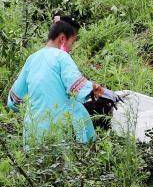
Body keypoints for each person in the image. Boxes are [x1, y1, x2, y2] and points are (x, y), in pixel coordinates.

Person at [6, 15, 109, 145]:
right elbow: (77, 86)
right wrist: (100, 90)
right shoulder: (61, 56)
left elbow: (13, 101)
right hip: (61, 133)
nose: (71, 47)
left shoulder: (31, 59)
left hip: (34, 134)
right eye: (73, 41)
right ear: (62, 39)